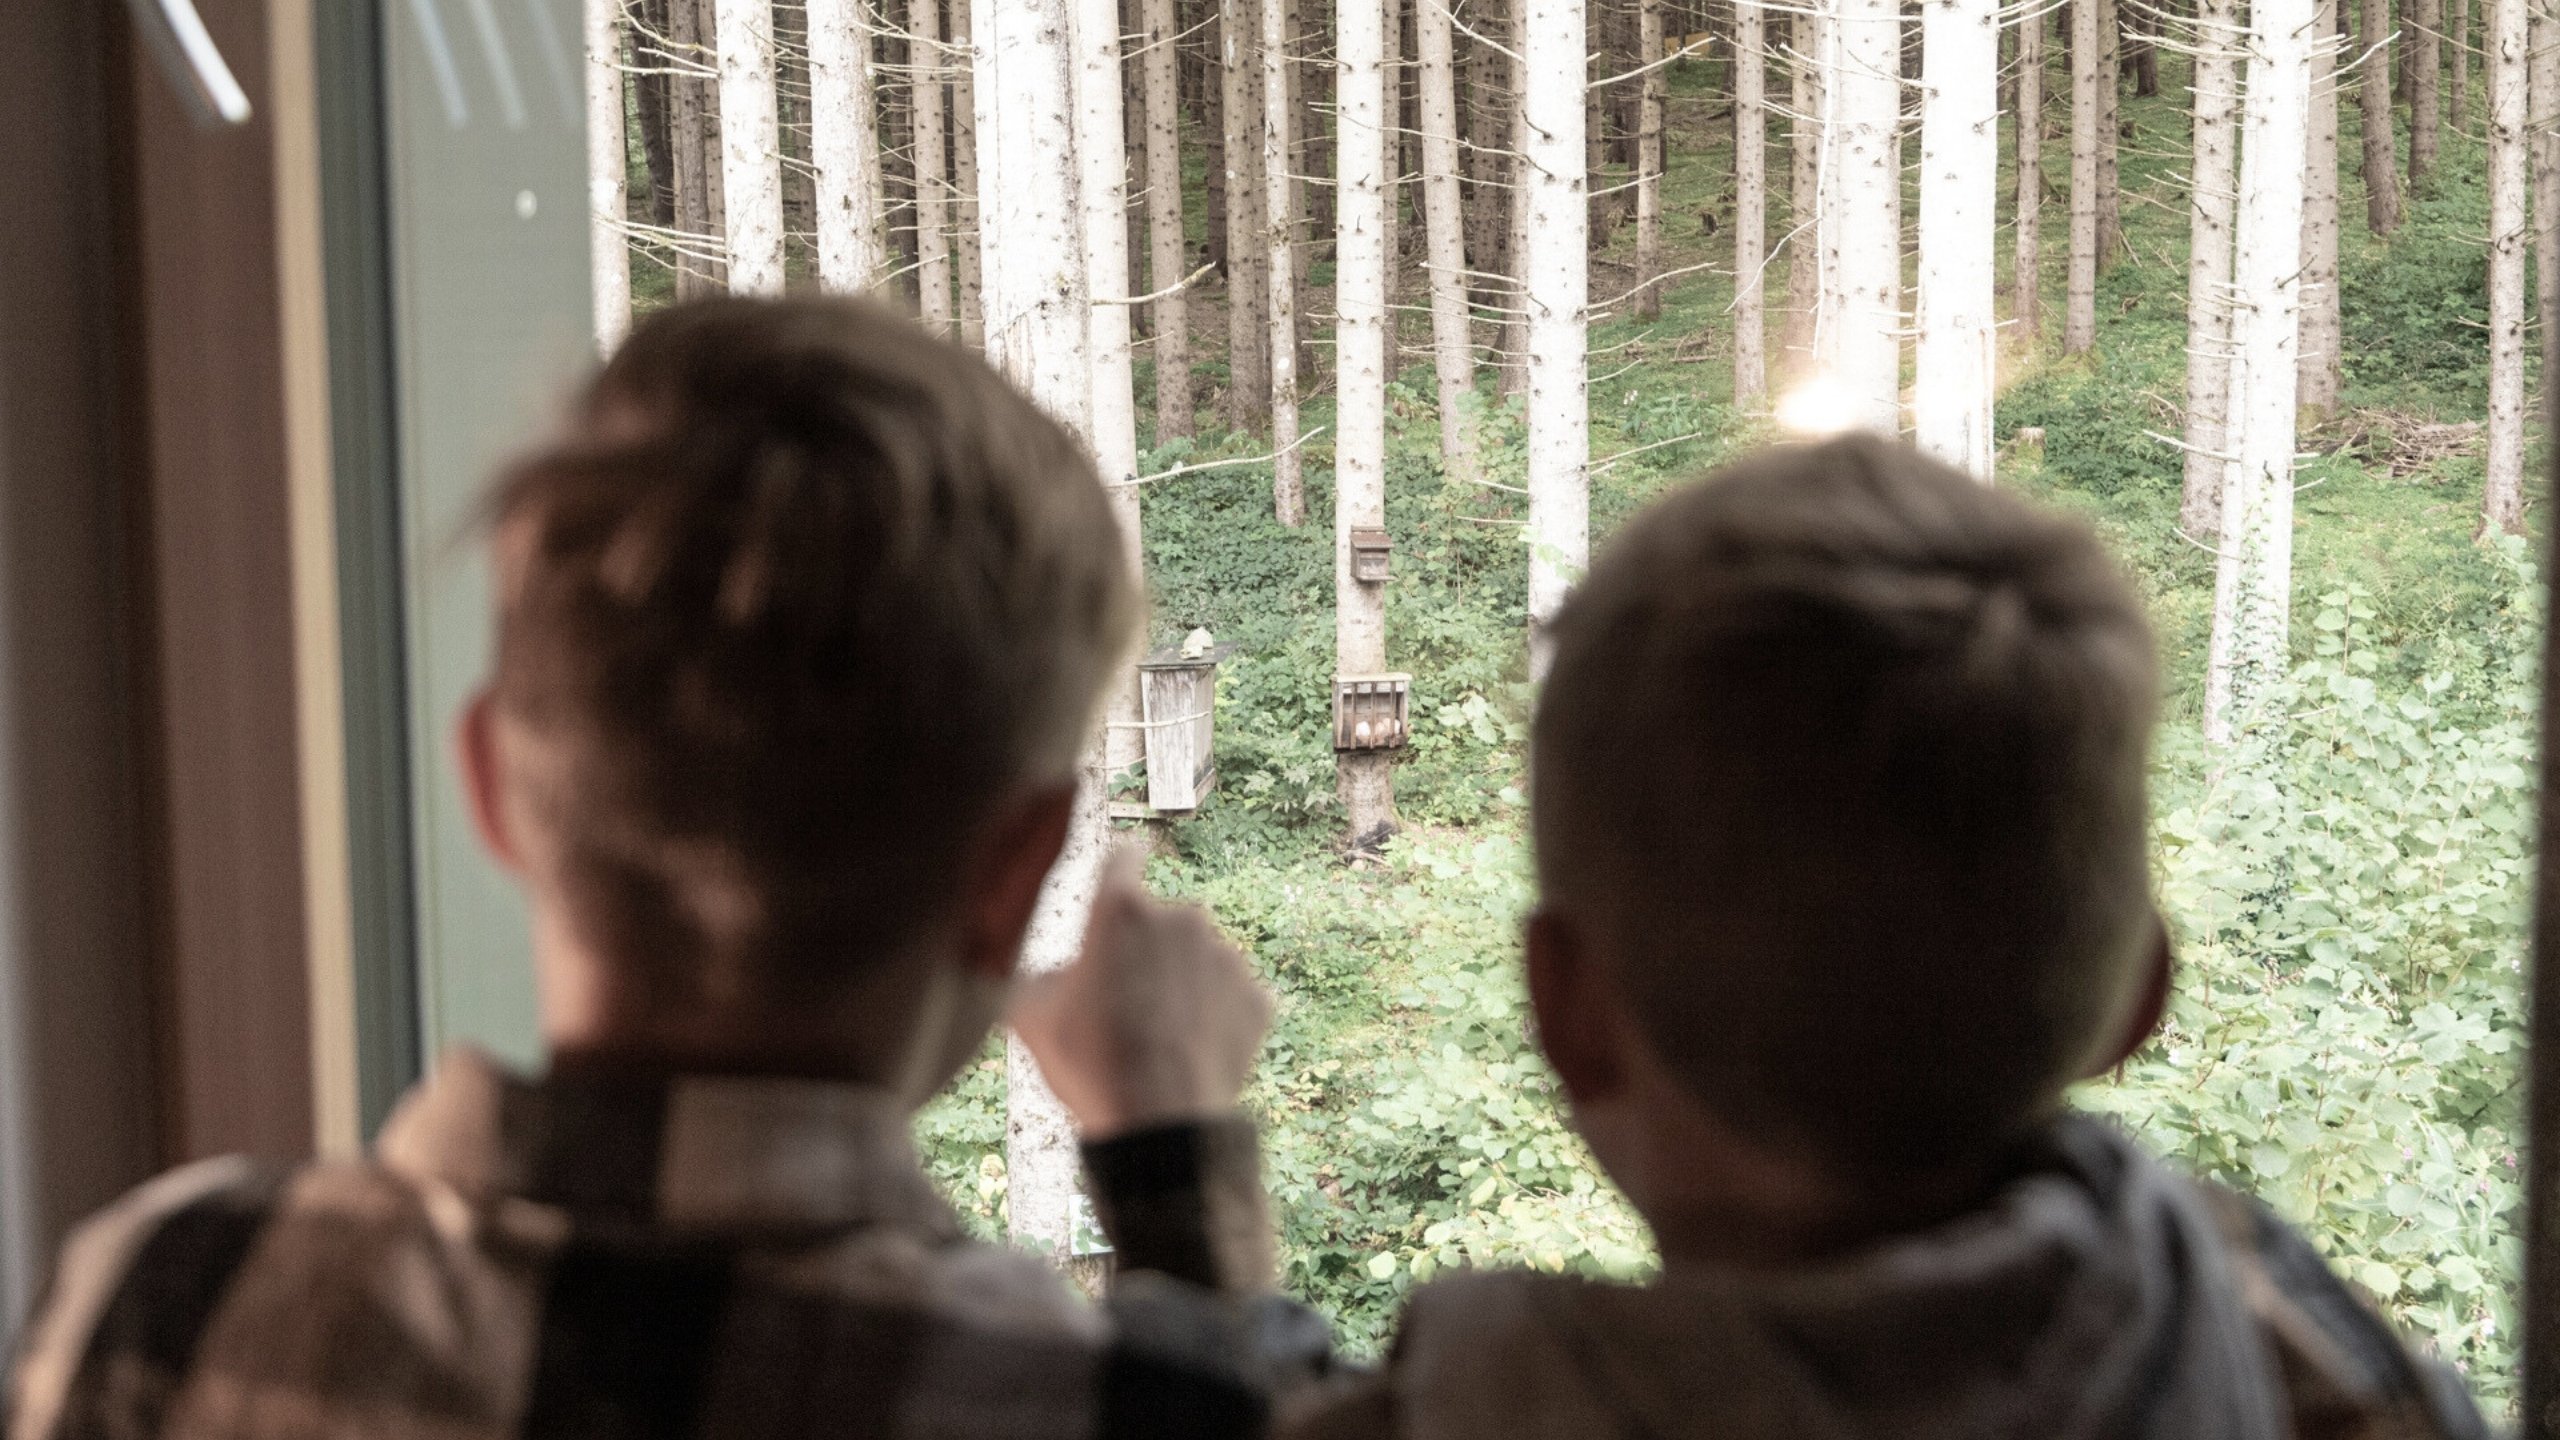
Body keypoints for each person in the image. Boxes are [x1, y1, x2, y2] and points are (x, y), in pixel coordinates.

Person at [7, 297, 1312, 1440]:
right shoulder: (1096, 1401)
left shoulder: (164, 1303)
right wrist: (1167, 1151)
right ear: (1017, 869)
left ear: (494, 790)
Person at [1233, 436, 2476, 1436]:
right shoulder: (2300, 1350)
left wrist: (1171, 1145)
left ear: (1566, 1012)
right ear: (2137, 994)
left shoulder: (1462, 1408)